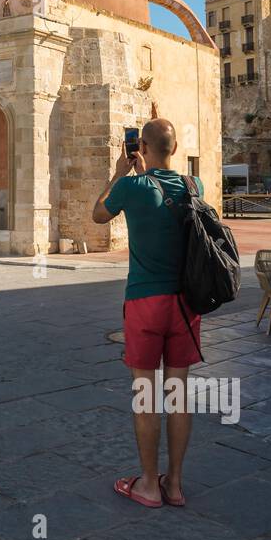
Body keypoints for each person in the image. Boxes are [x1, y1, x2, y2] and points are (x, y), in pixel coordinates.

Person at [91, 115, 204, 508]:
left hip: (144, 301)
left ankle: (147, 486)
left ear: (142, 147)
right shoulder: (194, 185)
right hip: (185, 304)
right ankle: (174, 484)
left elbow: (98, 214)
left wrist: (120, 172)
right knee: (178, 394)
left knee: (145, 394)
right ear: (173, 149)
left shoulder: (131, 187)